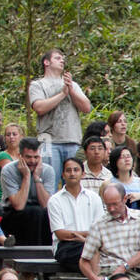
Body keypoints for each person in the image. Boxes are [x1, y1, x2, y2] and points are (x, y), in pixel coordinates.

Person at [81, 183, 140, 280]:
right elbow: (83, 261)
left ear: (125, 199)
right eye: (107, 205)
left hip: (136, 272)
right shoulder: (99, 224)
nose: (111, 209)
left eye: (114, 204)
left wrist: (124, 267)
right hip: (112, 273)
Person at [28, 47, 91, 189]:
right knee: (48, 184)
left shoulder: (72, 84)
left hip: (72, 139)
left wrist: (71, 91)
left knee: (74, 184)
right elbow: (39, 107)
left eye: (63, 58)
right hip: (48, 141)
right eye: (57, 58)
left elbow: (86, 108)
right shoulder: (37, 85)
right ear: (46, 62)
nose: (62, 60)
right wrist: (63, 94)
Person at [47, 156, 103, 272]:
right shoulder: (55, 200)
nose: (72, 173)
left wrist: (82, 237)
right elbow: (61, 234)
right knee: (91, 252)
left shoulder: (94, 197)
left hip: (91, 244)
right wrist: (88, 235)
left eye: (76, 170)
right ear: (63, 174)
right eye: (68, 170)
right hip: (65, 247)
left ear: (83, 174)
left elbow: (101, 229)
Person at [2, 137, 55, 245]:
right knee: (33, 212)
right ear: (20, 156)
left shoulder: (48, 170)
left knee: (43, 213)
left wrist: (36, 177)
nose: (32, 161)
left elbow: (46, 204)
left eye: (36, 157)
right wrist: (26, 176)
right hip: (13, 212)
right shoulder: (8, 170)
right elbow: (19, 205)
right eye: (28, 157)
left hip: (40, 214)